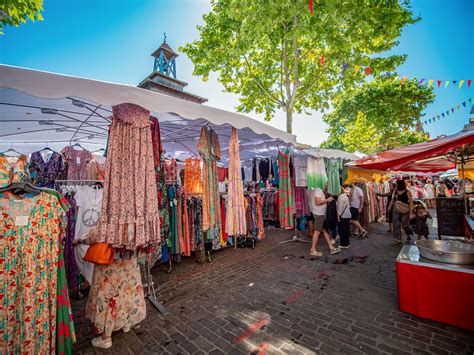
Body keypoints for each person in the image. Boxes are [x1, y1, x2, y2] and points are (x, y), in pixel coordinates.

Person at [74, 227, 146, 349]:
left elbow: (98, 233)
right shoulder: (135, 209)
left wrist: (80, 240)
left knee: (108, 296)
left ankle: (106, 337)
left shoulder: (112, 208)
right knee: (126, 291)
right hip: (129, 258)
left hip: (111, 261)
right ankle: (125, 323)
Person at [308, 186, 341, 256]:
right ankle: (313, 249)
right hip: (319, 214)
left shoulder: (314, 190)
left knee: (325, 230)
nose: (326, 185)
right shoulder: (317, 190)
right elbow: (318, 202)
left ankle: (330, 246)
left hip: (319, 213)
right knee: (317, 231)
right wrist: (327, 200)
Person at [388, 179, 414, 245]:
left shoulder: (407, 192)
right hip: (396, 209)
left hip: (405, 209)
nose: (395, 185)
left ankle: (408, 234)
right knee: (396, 224)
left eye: (396, 184)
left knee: (405, 225)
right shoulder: (395, 191)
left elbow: (411, 202)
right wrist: (390, 207)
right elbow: (393, 200)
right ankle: (398, 239)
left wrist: (411, 210)